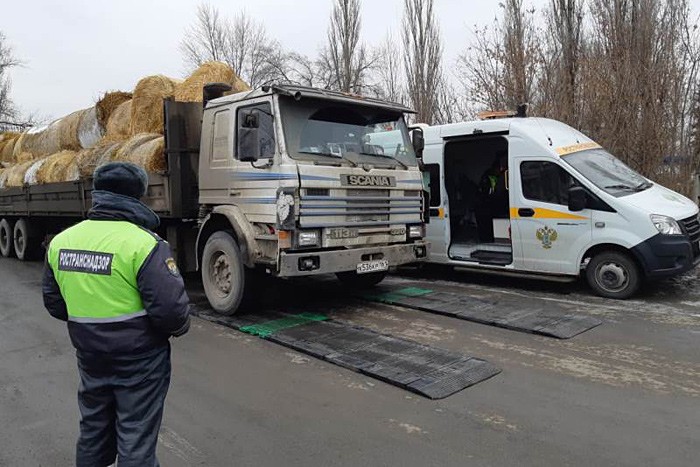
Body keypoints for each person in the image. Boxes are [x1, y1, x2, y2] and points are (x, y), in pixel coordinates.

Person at [42, 162, 191, 467]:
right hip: (141, 359)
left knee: (93, 430)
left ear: (97, 193)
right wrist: (176, 328)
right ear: (139, 196)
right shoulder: (143, 244)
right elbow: (172, 313)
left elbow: (55, 303)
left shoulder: (62, 242)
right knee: (136, 434)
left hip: (90, 355)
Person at [475, 150, 509, 242]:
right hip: (485, 207)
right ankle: (487, 241)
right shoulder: (490, 177)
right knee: (486, 228)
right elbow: (492, 193)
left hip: (490, 205)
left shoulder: (498, 175)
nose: (502, 170)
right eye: (501, 168)